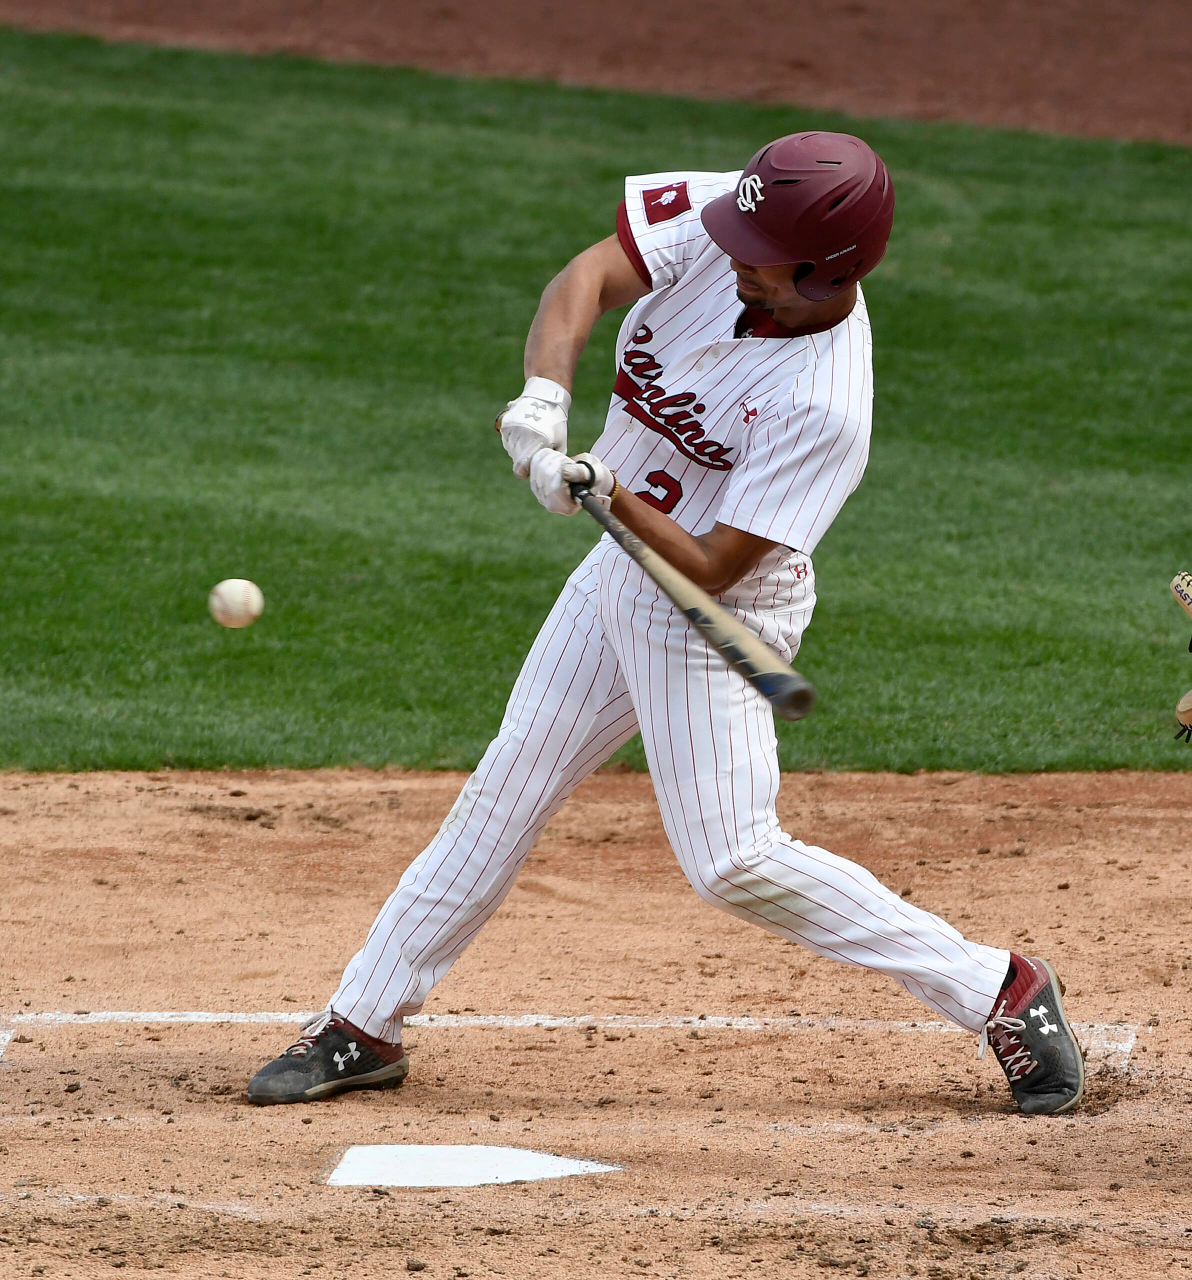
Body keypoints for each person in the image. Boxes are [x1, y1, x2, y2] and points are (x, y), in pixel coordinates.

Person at [247, 132, 1084, 1116]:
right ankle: (364, 1019)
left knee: (732, 858)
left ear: (828, 270)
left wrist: (605, 485)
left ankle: (1001, 987)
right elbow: (587, 277)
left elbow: (716, 563)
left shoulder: (823, 405)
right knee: (503, 789)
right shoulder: (739, 216)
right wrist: (543, 398)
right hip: (624, 570)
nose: (732, 252)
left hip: (712, 607)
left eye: (759, 252)